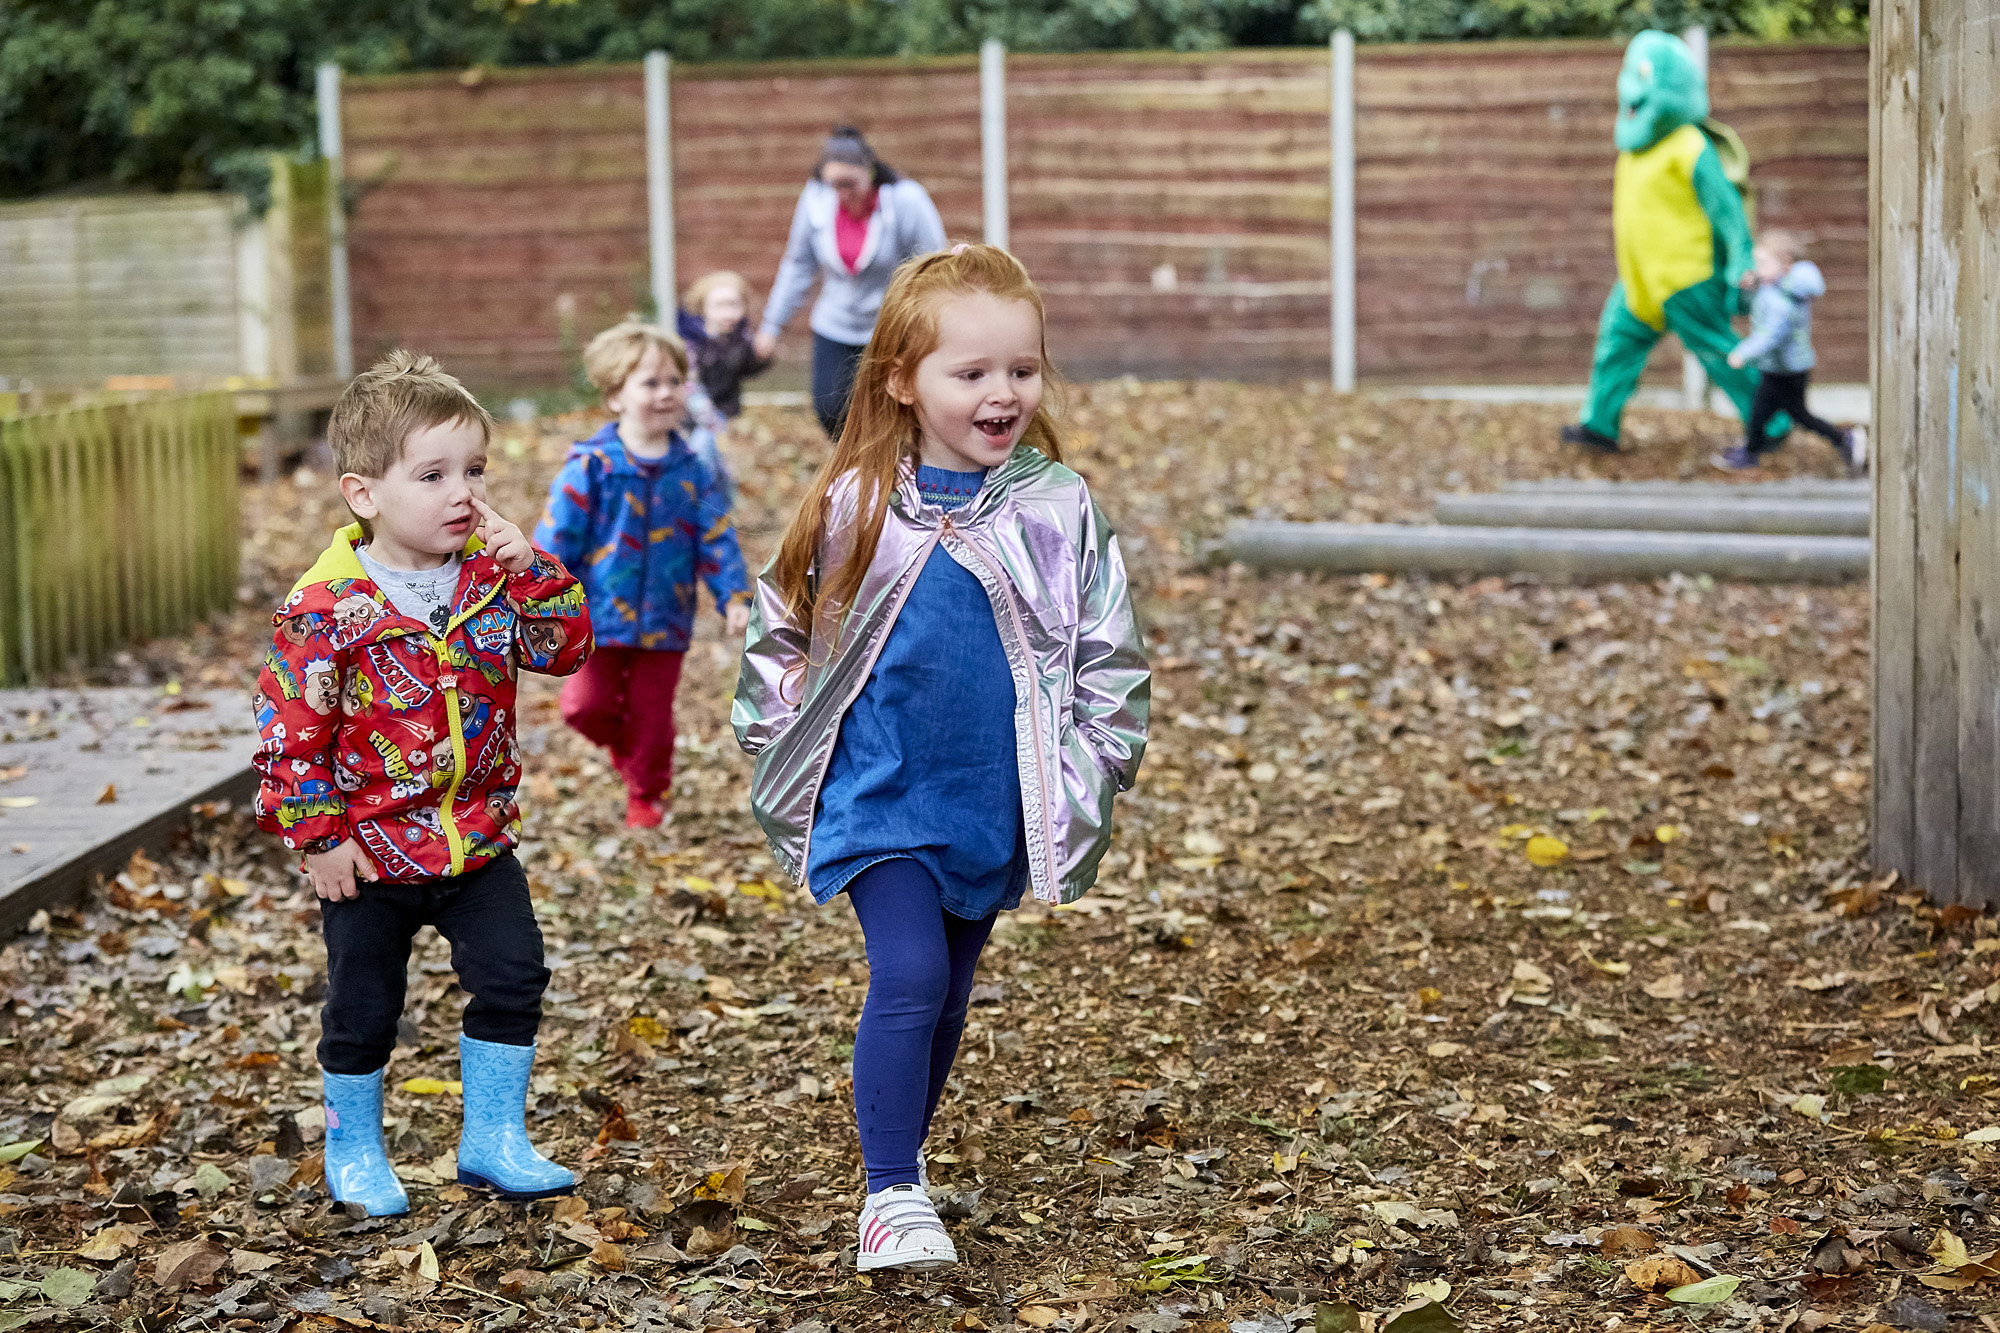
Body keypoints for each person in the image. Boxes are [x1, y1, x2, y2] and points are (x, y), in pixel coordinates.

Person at [732, 244, 1150, 1271]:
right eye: (970, 372)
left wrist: (1091, 763)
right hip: (877, 795)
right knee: (909, 973)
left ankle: (900, 1163)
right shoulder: (856, 505)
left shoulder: (1057, 509)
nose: (1001, 392)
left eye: (1020, 368)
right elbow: (778, 629)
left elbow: (1108, 652)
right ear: (901, 383)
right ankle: (888, 1192)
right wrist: (794, 745)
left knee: (950, 993)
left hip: (985, 800)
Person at [252, 351, 594, 1217]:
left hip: (474, 839)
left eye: (474, 470)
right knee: (365, 1005)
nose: (463, 493)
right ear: (364, 493)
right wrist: (317, 836)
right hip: (366, 854)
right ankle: (353, 1145)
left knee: (515, 974)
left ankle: (492, 1140)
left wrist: (533, 568)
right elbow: (291, 733)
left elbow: (565, 651)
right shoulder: (328, 606)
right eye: (434, 473)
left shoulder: (488, 577)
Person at [534, 322, 751, 829]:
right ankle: (630, 755)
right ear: (615, 396)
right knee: (584, 707)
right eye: (649, 383)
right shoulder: (593, 467)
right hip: (596, 615)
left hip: (665, 617)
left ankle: (647, 794)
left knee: (653, 718)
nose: (665, 393)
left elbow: (715, 535)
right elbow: (556, 538)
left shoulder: (692, 469)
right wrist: (537, 594)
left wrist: (734, 597)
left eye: (674, 381)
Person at [1561, 31, 1781, 454]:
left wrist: (1740, 259)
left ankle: (1770, 424)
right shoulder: (1633, 149)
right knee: (1615, 347)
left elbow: (1727, 210)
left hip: (1687, 278)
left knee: (1720, 353)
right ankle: (1599, 426)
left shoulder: (1690, 145)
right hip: (1640, 280)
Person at [752, 126, 947, 439]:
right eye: (834, 185)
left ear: (869, 172)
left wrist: (935, 325)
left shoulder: (906, 201)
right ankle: (854, 475)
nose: (842, 193)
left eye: (849, 184)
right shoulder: (816, 202)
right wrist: (771, 326)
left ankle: (892, 472)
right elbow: (798, 265)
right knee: (830, 410)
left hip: (890, 327)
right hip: (835, 325)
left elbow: (935, 265)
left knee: (892, 412)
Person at [1714, 229, 1865, 472]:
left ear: (1785, 262)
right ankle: (1752, 452)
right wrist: (1753, 283)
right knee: (1764, 413)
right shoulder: (1776, 286)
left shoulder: (1784, 302)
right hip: (1779, 368)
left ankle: (1844, 438)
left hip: (1787, 372)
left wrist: (1743, 352)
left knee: (1794, 416)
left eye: (1763, 262)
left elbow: (1770, 334)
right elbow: (1760, 299)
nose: (1758, 267)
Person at [678, 270, 772, 426]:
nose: (728, 313)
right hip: (694, 419)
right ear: (703, 307)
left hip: (728, 411)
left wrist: (760, 357)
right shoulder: (690, 342)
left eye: (734, 305)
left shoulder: (740, 335)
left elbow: (745, 371)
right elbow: (691, 387)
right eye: (719, 306)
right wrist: (714, 425)